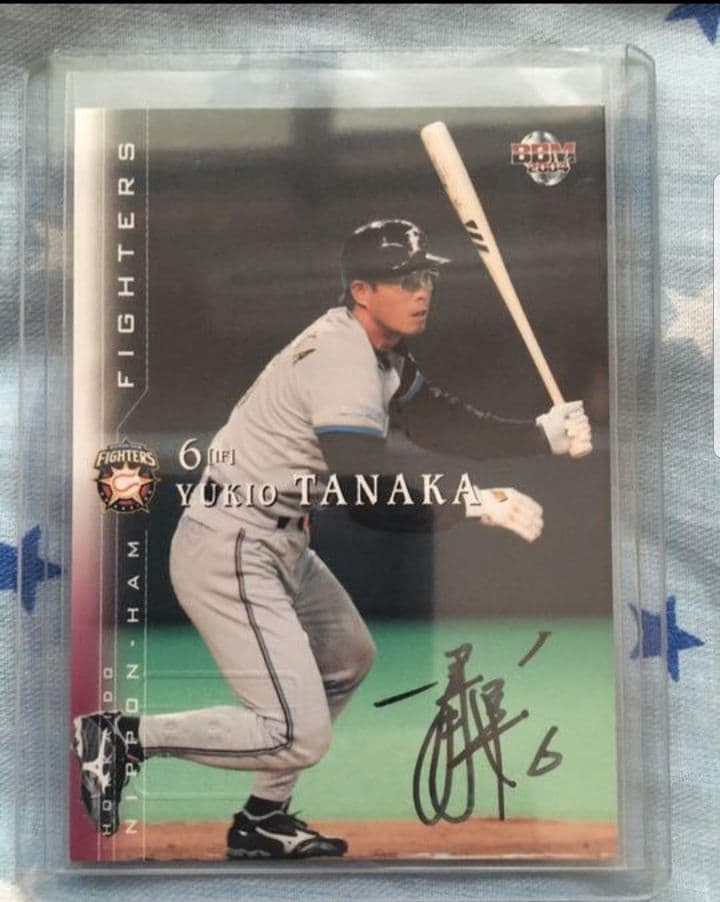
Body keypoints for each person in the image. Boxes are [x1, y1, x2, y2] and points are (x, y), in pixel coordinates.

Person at [73, 219, 592, 860]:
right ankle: (125, 738)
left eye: (425, 275)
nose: (421, 290)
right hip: (232, 546)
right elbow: (369, 501)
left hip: (276, 541)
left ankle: (263, 820)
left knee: (347, 658)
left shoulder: (377, 352)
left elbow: (438, 419)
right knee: (295, 735)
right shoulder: (343, 361)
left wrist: (538, 435)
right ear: (361, 291)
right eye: (403, 279)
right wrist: (473, 503)